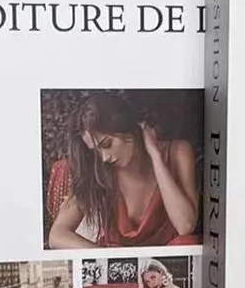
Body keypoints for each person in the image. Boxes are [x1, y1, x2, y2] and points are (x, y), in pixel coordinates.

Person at [46, 93, 201, 249]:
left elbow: (185, 226)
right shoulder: (99, 173)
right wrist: (105, 255)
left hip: (164, 259)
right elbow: (57, 236)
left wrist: (156, 157)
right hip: (117, 259)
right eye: (96, 151)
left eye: (107, 144)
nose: (104, 157)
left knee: (189, 243)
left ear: (126, 126)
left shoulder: (178, 152)